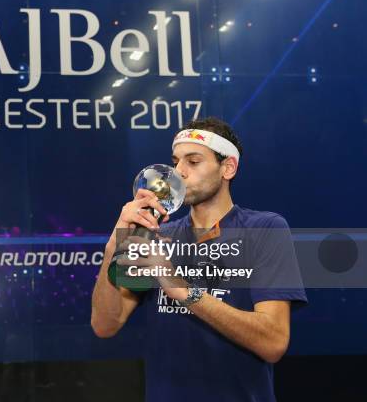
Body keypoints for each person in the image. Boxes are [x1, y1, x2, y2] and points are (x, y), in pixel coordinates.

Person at [91, 117, 307, 401]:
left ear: (228, 167)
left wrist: (180, 289)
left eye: (193, 162)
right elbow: (106, 324)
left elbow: (273, 342)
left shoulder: (264, 229)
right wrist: (113, 247)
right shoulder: (157, 236)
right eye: (176, 161)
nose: (178, 172)